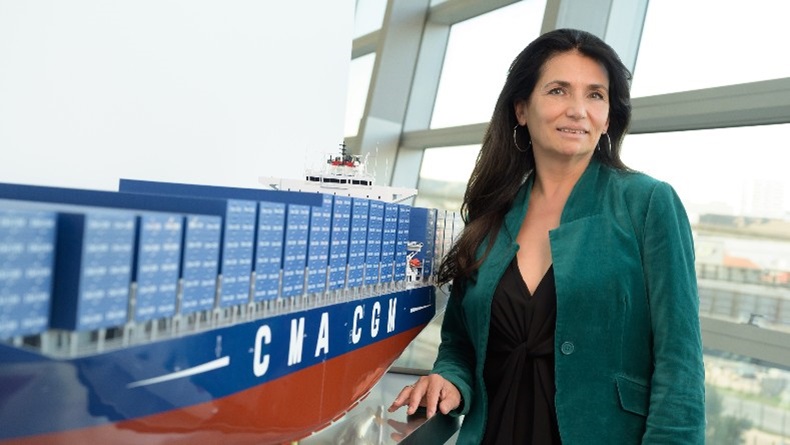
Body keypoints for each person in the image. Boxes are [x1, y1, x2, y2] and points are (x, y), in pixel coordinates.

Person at [388, 28, 705, 444]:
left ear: (608, 116)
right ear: (521, 109)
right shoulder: (491, 216)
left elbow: (680, 366)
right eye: (558, 91)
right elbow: (461, 345)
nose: (577, 110)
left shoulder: (647, 203)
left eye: (595, 95)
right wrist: (450, 380)